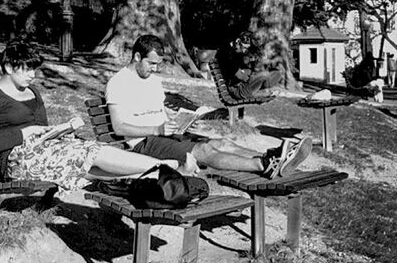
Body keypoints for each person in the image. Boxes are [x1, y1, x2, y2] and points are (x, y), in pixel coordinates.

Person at [105, 34, 312, 179]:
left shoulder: (152, 81)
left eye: (158, 64)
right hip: (144, 143)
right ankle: (264, 166)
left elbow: (160, 111)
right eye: (151, 63)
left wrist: (182, 122)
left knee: (221, 142)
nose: (155, 68)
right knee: (204, 150)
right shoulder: (118, 83)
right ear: (137, 57)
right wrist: (157, 129)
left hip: (166, 135)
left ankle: (272, 156)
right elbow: (119, 127)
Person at [0, 39, 159, 192]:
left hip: (45, 150)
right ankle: (165, 167)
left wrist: (62, 130)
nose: (33, 75)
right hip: (17, 160)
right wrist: (27, 132)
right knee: (92, 154)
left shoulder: (33, 92)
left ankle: (156, 175)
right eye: (27, 69)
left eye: (35, 69)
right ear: (8, 67)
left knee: (90, 152)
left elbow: (43, 129)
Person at [215, 37, 282, 99]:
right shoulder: (228, 55)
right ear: (238, 41)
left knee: (277, 73)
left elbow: (244, 71)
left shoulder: (235, 52)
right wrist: (251, 75)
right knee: (264, 75)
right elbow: (241, 76)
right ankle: (265, 90)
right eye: (243, 47)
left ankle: (264, 90)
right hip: (238, 90)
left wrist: (250, 73)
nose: (244, 51)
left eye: (246, 48)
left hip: (244, 86)